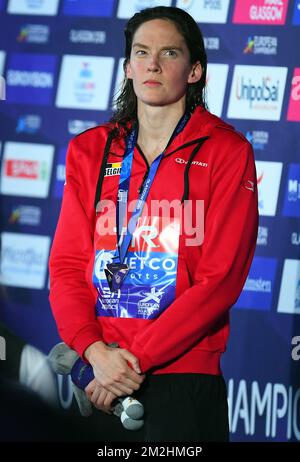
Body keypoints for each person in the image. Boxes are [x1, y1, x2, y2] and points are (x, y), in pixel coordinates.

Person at [49, 6, 258, 442]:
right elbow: (67, 265)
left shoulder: (226, 151)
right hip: (100, 375)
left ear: (195, 69)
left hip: (179, 376)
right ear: (127, 67)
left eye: (169, 53)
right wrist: (93, 351)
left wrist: (131, 361)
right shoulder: (89, 151)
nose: (153, 65)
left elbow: (219, 280)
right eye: (142, 53)